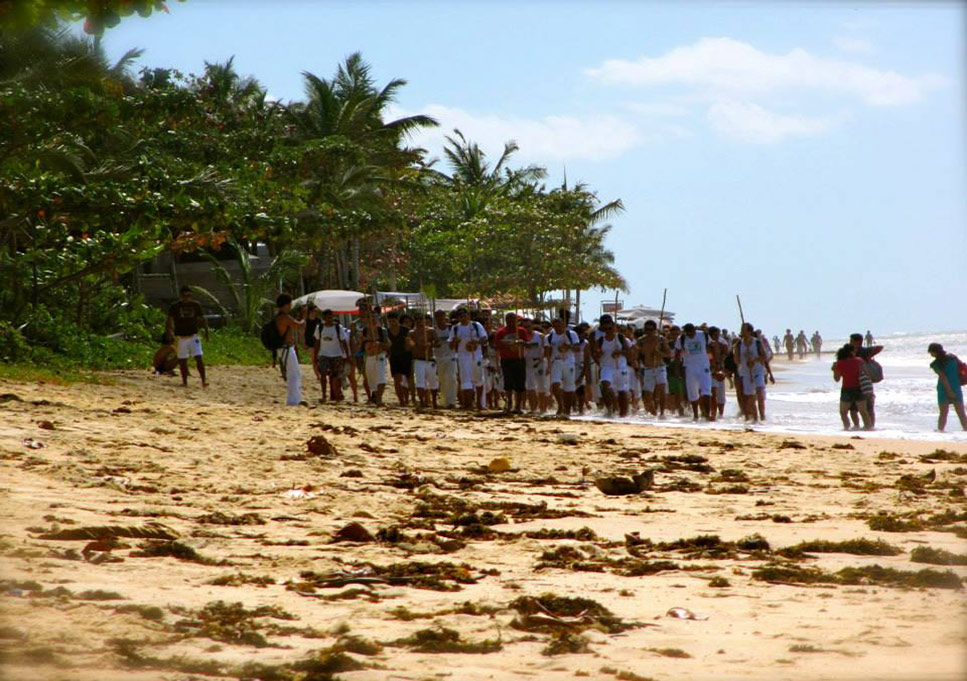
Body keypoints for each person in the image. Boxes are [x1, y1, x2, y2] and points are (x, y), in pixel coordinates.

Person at [166, 286, 210, 387]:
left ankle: (203, 380)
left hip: (193, 336)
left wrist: (207, 332)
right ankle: (184, 381)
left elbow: (202, 319)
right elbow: (169, 320)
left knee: (199, 358)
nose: (186, 298)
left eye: (189, 296)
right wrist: (169, 332)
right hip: (181, 337)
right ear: (181, 296)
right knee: (182, 360)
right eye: (185, 296)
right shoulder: (175, 306)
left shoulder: (196, 305)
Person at [449, 308, 486, 410]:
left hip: (476, 355)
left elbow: (484, 338)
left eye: (465, 315)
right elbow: (451, 346)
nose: (463, 318)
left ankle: (479, 403)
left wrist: (476, 342)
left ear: (468, 316)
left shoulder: (476, 325)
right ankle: (468, 404)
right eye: (460, 316)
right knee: (466, 381)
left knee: (478, 379)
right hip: (463, 357)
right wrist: (455, 341)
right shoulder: (455, 328)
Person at [594, 314, 630, 417]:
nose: (608, 330)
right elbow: (596, 353)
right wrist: (598, 353)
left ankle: (624, 414)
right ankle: (611, 407)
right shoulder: (600, 340)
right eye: (606, 328)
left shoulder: (620, 338)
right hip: (606, 366)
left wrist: (620, 352)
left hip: (620, 367)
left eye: (610, 327)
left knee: (622, 391)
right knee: (605, 385)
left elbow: (629, 353)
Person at [675, 323, 713, 421]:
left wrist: (714, 363)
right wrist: (677, 368)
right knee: (693, 392)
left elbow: (711, 348)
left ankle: (707, 414)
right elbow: (677, 354)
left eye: (691, 332)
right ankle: (696, 414)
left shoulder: (703, 335)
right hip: (689, 367)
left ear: (694, 330)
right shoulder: (682, 338)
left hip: (703, 366)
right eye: (687, 332)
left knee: (706, 390)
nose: (689, 334)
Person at [494, 312, 530, 413]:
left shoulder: (521, 331)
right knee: (508, 383)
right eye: (508, 320)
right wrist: (505, 344)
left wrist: (522, 342)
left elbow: (528, 343)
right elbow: (496, 345)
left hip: (519, 359)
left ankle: (518, 406)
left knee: (520, 384)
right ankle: (509, 403)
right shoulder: (501, 332)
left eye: (513, 320)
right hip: (506, 359)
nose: (511, 322)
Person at [312, 308, 350, 403]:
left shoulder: (338, 328)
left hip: (336, 354)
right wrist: (315, 356)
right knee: (323, 375)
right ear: (323, 318)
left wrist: (347, 354)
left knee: (335, 376)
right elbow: (317, 342)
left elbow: (343, 341)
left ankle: (336, 394)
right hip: (323, 354)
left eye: (330, 317)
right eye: (327, 317)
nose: (329, 319)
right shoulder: (319, 328)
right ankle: (324, 395)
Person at [273, 293, 305, 406]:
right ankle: (293, 400)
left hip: (284, 348)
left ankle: (295, 398)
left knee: (294, 373)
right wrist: (303, 317)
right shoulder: (284, 317)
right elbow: (299, 326)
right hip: (286, 348)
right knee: (293, 374)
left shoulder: (279, 316)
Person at [928, 343, 967, 432]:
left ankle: (940, 431)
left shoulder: (935, 364)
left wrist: (949, 392)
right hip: (956, 387)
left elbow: (943, 378)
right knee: (961, 413)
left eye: (931, 352)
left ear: (935, 352)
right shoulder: (953, 358)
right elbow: (961, 369)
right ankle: (966, 430)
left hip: (943, 389)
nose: (931, 355)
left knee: (943, 413)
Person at [545, 317, 579, 415]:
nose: (557, 328)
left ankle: (567, 409)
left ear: (564, 325)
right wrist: (548, 364)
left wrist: (568, 346)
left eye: (559, 325)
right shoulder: (549, 337)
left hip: (569, 362)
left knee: (569, 387)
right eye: (555, 326)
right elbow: (547, 351)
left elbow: (577, 348)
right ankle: (560, 405)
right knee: (555, 384)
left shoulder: (571, 334)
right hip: (556, 362)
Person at [735, 323, 768, 423]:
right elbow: (736, 360)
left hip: (758, 371)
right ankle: (755, 418)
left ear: (749, 331)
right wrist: (742, 359)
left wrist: (754, 360)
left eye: (744, 329)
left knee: (760, 394)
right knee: (750, 396)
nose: (742, 331)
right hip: (746, 373)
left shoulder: (757, 342)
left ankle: (762, 417)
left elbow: (764, 356)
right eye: (741, 329)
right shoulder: (739, 344)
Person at [833, 344, 871, 430]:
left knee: (843, 412)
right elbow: (867, 374)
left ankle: (847, 428)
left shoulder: (839, 363)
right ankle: (868, 428)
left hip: (847, 389)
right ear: (851, 352)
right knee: (863, 411)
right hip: (860, 388)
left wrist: (834, 370)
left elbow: (837, 379)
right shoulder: (859, 361)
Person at [638, 319, 670, 417]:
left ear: (655, 329)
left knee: (661, 390)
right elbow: (637, 354)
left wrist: (659, 353)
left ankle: (662, 413)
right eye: (647, 329)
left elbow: (668, 354)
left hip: (659, 367)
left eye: (651, 329)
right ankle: (653, 413)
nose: (649, 331)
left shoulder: (661, 339)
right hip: (648, 369)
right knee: (647, 394)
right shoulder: (641, 341)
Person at [850, 332, 882, 428]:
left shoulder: (863, 351)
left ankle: (871, 426)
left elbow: (880, 347)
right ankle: (857, 426)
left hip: (865, 381)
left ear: (858, 342)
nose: (850, 342)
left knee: (869, 407)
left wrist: (869, 356)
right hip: (854, 381)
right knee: (854, 408)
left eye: (852, 341)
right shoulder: (849, 352)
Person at [408, 314, 439, 409]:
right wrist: (417, 344)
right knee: (420, 382)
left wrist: (429, 344)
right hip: (418, 360)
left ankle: (434, 400)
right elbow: (409, 346)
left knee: (433, 381)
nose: (420, 323)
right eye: (418, 321)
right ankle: (422, 401)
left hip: (429, 359)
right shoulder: (412, 332)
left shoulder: (431, 331)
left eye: (421, 320)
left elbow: (438, 343)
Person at [360, 306, 390, 405]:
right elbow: (360, 345)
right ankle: (375, 397)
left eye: (374, 317)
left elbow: (389, 344)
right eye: (369, 317)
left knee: (381, 377)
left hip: (380, 355)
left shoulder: (382, 331)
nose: (372, 319)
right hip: (369, 356)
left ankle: (379, 399)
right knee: (371, 379)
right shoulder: (363, 331)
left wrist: (380, 344)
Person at [433, 310, 458, 408]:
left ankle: (452, 401)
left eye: (441, 316)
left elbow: (455, 342)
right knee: (442, 379)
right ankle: (444, 401)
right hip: (438, 357)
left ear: (445, 316)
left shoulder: (451, 328)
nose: (439, 319)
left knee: (451, 378)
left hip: (451, 356)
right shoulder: (433, 329)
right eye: (437, 317)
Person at [386, 312, 412, 406]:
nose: (392, 323)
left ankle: (408, 397)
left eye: (394, 320)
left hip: (406, 356)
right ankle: (401, 400)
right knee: (397, 380)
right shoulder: (387, 332)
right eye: (390, 321)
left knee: (408, 379)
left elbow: (411, 343)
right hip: (394, 357)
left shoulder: (406, 330)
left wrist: (408, 344)